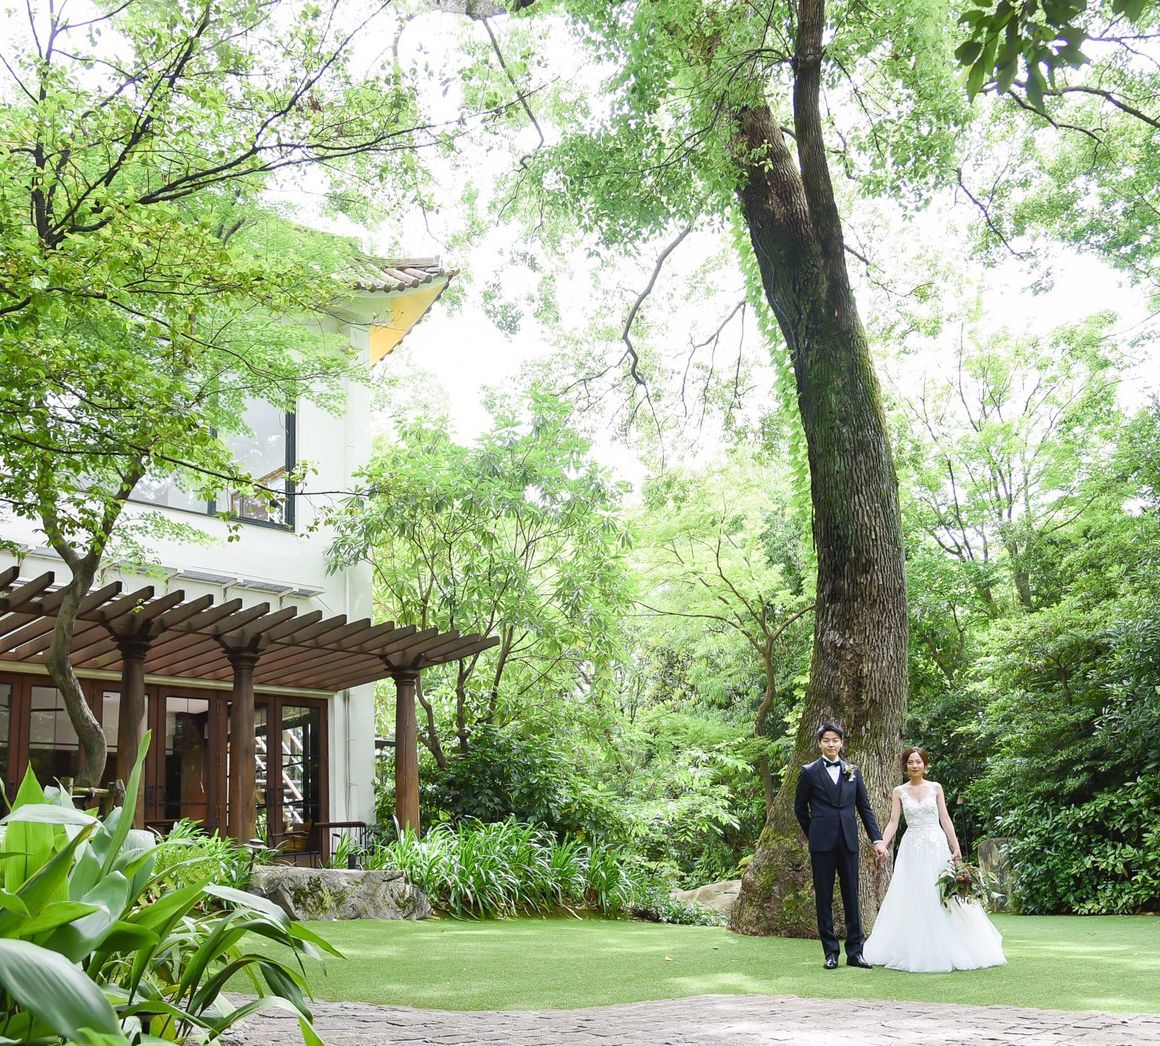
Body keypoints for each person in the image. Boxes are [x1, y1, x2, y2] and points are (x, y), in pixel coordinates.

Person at [862, 746, 1007, 972]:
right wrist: (882, 843)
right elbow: (893, 822)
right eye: (910, 762)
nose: (915, 766)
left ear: (925, 765)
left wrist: (955, 846)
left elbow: (945, 818)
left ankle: (950, 943)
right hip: (912, 847)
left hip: (936, 844)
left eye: (918, 762)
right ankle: (915, 945)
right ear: (905, 766)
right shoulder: (899, 791)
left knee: (941, 891)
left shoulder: (935, 788)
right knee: (913, 892)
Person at [794, 722, 887, 969]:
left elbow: (864, 808)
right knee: (823, 897)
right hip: (821, 844)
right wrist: (814, 832)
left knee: (852, 896)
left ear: (842, 743)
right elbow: (800, 809)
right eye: (826, 740)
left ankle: (855, 952)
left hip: (848, 841)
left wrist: (877, 839)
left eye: (835, 740)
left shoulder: (852, 771)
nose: (831, 744)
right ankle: (831, 953)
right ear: (819, 743)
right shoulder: (809, 772)